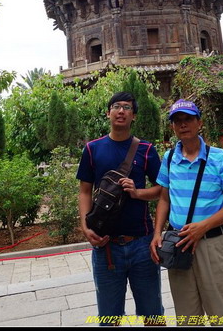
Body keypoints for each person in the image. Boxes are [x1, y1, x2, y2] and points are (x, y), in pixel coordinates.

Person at [150, 99, 223, 327]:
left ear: (199, 122)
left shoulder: (220, 158)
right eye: (177, 120)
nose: (183, 124)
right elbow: (164, 198)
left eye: (188, 119)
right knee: (187, 316)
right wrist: (157, 233)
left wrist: (203, 226)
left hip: (212, 244)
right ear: (172, 127)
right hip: (179, 244)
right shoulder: (170, 158)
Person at [77, 91, 165, 327]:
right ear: (108, 113)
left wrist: (137, 192)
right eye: (116, 106)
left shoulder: (146, 150)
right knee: (109, 319)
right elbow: (85, 191)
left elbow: (161, 191)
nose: (121, 111)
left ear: (133, 116)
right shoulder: (92, 149)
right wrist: (86, 227)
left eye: (127, 107)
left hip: (142, 245)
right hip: (106, 247)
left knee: (153, 316)